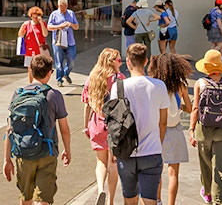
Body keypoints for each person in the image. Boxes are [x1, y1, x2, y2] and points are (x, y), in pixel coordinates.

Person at [3, 54, 71, 205]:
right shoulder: (54, 95)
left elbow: (9, 129)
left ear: (30, 70)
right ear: (49, 73)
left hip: (23, 153)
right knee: (43, 200)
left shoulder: (18, 94)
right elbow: (64, 128)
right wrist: (67, 150)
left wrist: (7, 159)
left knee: (25, 198)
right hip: (47, 152)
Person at [109, 43, 169, 205]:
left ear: (128, 61)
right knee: (150, 200)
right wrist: (158, 142)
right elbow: (163, 122)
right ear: (146, 61)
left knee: (130, 200)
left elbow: (114, 122)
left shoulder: (118, 87)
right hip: (152, 152)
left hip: (126, 153)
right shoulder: (159, 86)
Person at [189, 49, 222, 205]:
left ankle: (208, 191)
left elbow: (195, 108)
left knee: (206, 163)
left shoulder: (200, 83)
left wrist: (191, 130)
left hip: (204, 129)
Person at [149, 53, 192, 205]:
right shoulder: (181, 85)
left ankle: (158, 200)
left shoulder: (155, 85)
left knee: (157, 170)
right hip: (175, 131)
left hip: (158, 131)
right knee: (173, 173)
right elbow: (189, 108)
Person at [82, 48, 123, 205]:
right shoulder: (119, 79)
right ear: (111, 62)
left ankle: (100, 189)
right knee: (113, 163)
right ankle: (110, 202)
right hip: (115, 126)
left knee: (100, 161)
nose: (121, 62)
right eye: (118, 60)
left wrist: (85, 126)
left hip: (97, 123)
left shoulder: (93, 78)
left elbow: (87, 105)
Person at [47, 0, 79, 87]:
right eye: (61, 7)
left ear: (67, 6)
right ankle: (59, 79)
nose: (63, 9)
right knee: (58, 62)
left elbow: (77, 27)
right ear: (58, 6)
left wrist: (71, 24)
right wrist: (59, 26)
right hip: (58, 41)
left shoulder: (71, 13)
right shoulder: (54, 14)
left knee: (71, 61)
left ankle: (66, 73)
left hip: (70, 42)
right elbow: (49, 27)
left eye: (64, 7)